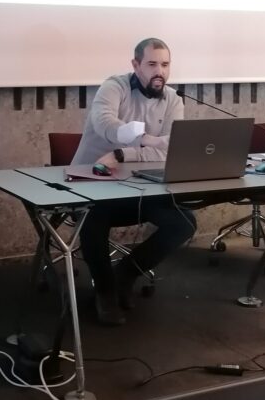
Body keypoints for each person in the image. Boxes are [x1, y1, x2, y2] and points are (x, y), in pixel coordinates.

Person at [72, 37, 197, 325]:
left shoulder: (173, 99)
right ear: (136, 65)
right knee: (93, 218)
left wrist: (121, 153)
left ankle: (126, 274)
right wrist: (145, 139)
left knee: (184, 222)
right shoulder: (113, 87)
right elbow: (105, 124)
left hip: (140, 187)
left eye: (165, 65)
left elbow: (169, 149)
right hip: (94, 183)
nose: (159, 72)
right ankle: (104, 292)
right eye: (152, 64)